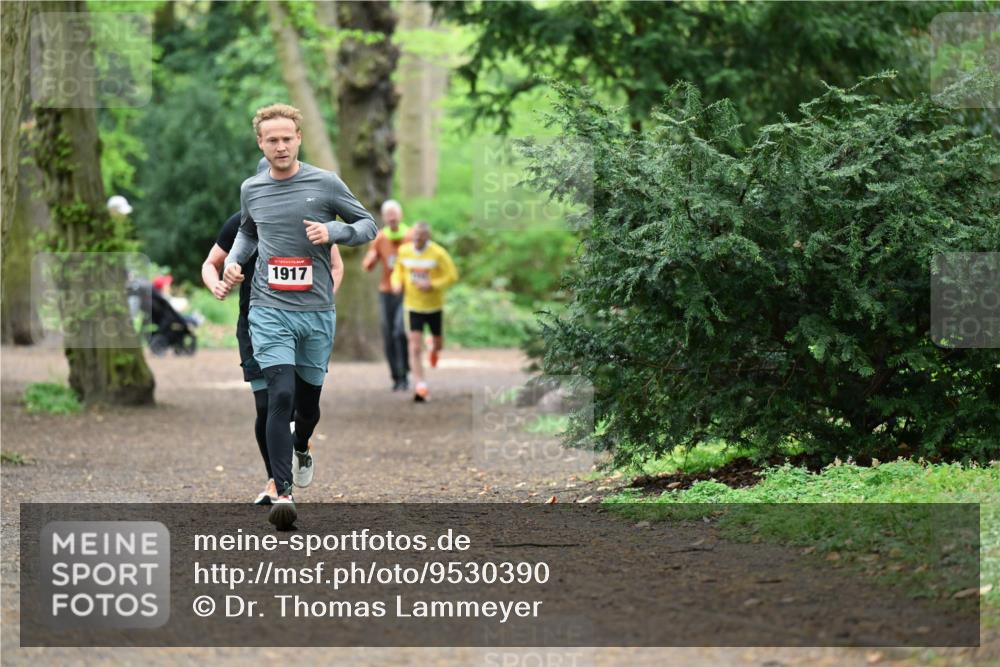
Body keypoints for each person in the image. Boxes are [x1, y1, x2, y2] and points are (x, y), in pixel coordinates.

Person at [222, 103, 377, 530]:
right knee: (279, 395)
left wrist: (334, 232)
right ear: (261, 143)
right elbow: (248, 231)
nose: (280, 145)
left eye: (287, 138)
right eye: (272, 139)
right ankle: (283, 492)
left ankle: (303, 444)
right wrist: (234, 263)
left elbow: (368, 225)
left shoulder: (325, 184)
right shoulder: (251, 189)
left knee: (307, 406)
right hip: (268, 307)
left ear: (298, 139)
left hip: (316, 311)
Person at [202, 208, 343, 505]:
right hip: (255, 324)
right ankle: (277, 484)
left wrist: (324, 300)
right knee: (268, 404)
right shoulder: (239, 223)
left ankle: (301, 445)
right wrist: (216, 283)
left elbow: (336, 266)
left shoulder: (308, 220)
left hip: (304, 322)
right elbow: (210, 263)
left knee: (302, 408)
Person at [390, 221, 458, 403]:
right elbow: (398, 269)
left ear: (428, 237)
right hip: (412, 306)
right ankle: (421, 385)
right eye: (415, 236)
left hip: (434, 306)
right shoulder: (404, 251)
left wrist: (432, 284)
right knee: (414, 346)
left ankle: (434, 346)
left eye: (421, 237)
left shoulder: (438, 253)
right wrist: (396, 282)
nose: (417, 239)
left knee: (438, 344)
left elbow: (452, 275)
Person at [362, 199, 413, 391]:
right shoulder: (380, 238)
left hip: (406, 291)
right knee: (388, 333)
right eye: (388, 215)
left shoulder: (410, 236)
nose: (392, 218)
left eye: (394, 214)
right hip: (386, 291)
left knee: (399, 331)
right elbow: (369, 262)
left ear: (400, 215)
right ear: (384, 218)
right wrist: (370, 259)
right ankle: (396, 376)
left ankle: (405, 372)